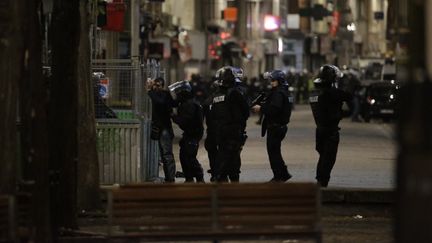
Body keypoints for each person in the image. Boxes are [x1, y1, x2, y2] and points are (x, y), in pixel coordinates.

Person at [309, 64, 353, 187]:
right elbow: (349, 96)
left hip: (319, 130)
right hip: (330, 131)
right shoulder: (332, 93)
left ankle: (320, 180)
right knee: (328, 159)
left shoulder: (314, 92)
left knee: (323, 157)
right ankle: (322, 183)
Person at [252, 70, 293, 182]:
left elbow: (274, 109)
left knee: (273, 154)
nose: (271, 82)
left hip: (276, 127)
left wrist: (261, 108)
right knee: (276, 152)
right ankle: (283, 173)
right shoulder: (283, 92)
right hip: (279, 126)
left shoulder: (279, 93)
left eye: (273, 80)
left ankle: (279, 176)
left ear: (279, 81)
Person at [210, 66, 249, 182]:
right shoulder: (235, 93)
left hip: (221, 131)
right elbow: (245, 112)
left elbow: (212, 114)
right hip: (233, 131)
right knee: (233, 157)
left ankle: (221, 178)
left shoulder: (216, 95)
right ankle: (232, 181)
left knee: (223, 156)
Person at [169, 81, 205, 183]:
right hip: (190, 134)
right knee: (184, 156)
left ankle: (199, 177)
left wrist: (173, 116)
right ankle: (189, 177)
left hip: (193, 134)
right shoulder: (187, 103)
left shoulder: (189, 105)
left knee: (190, 157)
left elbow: (184, 121)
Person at [146, 77, 176, 183]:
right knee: (161, 155)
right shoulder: (151, 94)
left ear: (162, 86)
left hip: (164, 129)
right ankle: (168, 177)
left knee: (167, 154)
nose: (155, 87)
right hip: (156, 128)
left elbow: (160, 102)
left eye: (158, 85)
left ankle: (170, 177)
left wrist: (150, 90)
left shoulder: (164, 95)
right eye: (154, 85)